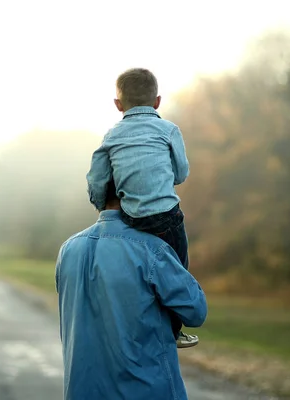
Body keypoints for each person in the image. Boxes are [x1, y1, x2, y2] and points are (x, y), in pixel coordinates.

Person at [55, 181, 207, 400]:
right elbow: (196, 311)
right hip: (145, 391)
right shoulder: (151, 249)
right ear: (137, 197)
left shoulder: (68, 249)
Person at [86, 67, 197, 348]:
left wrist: (102, 206)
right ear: (157, 101)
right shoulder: (169, 129)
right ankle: (174, 331)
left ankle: (135, 323)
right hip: (167, 218)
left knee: (137, 272)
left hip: (130, 218)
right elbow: (182, 173)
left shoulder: (112, 135)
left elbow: (97, 178)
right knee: (178, 270)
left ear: (118, 105)